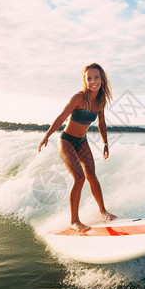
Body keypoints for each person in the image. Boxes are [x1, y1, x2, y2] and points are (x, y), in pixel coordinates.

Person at [38, 63, 117, 232]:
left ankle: (103, 212)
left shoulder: (101, 101)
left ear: (102, 80)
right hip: (66, 141)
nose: (93, 81)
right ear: (85, 80)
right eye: (89, 78)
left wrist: (105, 144)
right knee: (79, 177)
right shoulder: (78, 98)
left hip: (82, 141)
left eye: (96, 77)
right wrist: (47, 135)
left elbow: (102, 123)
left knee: (92, 175)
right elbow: (62, 117)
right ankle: (74, 221)